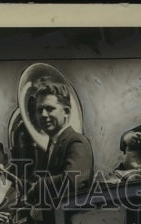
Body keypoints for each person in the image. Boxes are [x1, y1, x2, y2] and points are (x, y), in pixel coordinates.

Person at [25, 79, 94, 213]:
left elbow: (72, 182)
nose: (43, 115)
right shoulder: (52, 144)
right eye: (39, 110)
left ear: (66, 112)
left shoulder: (77, 142)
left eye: (50, 109)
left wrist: (38, 186)